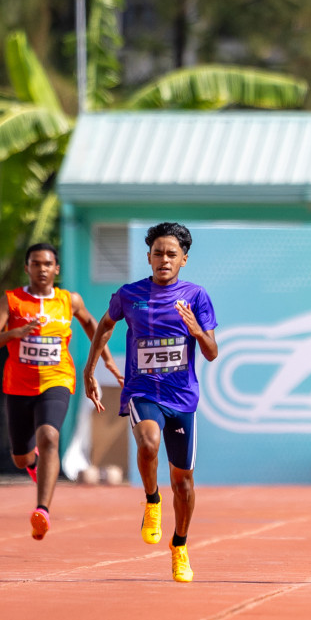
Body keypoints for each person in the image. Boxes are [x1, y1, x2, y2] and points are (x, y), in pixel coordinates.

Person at [83, 223, 218, 583]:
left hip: (182, 398)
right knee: (148, 441)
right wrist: (91, 368)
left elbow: (212, 352)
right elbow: (106, 325)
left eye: (171, 254)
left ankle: (180, 546)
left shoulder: (196, 296)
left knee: (185, 483)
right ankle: (152, 500)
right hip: (144, 391)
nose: (164, 259)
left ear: (183, 260)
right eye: (158, 253)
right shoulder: (130, 294)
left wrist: (197, 330)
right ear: (148, 257)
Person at [0, 243, 121, 538]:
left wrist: (105, 360)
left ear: (57, 269)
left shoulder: (70, 300)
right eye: (35, 264)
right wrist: (14, 333)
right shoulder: (12, 301)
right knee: (21, 457)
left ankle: (42, 510)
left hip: (57, 379)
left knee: (50, 435)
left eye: (47, 264)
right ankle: (34, 465)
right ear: (27, 268)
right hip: (18, 385)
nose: (42, 269)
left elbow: (94, 326)